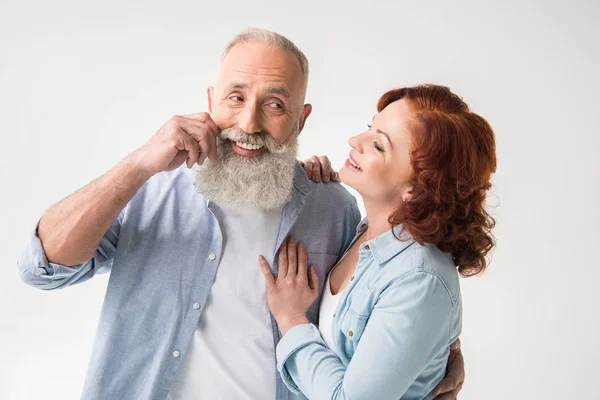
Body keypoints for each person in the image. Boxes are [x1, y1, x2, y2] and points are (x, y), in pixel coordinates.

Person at [17, 29, 464, 400]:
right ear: (211, 100)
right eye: (235, 97)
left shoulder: (334, 208)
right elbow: (42, 269)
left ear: (300, 120)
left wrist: (440, 355)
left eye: (275, 105)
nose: (249, 124)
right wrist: (137, 163)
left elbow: (383, 309)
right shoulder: (151, 187)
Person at [260, 84, 496, 399]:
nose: (354, 141)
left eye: (379, 146)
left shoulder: (419, 279)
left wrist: (291, 319)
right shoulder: (365, 235)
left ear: (419, 187)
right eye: (369, 128)